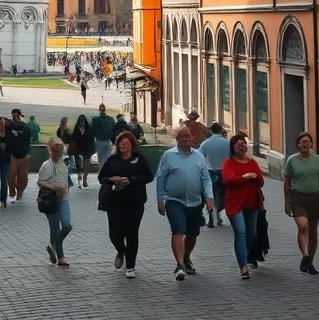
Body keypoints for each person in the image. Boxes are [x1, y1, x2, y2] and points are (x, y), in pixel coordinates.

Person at [154, 126, 213, 281]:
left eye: (188, 136)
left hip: (195, 201)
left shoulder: (199, 156)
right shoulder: (168, 156)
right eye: (183, 137)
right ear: (177, 139)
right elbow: (160, 178)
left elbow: (206, 178)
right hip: (174, 200)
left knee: (192, 233)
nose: (187, 139)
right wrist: (160, 200)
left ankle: (186, 258)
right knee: (178, 230)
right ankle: (180, 265)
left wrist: (209, 197)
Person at [99, 131, 154, 278]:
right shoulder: (112, 160)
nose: (122, 145)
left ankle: (130, 266)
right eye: (120, 143)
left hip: (135, 203)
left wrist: (131, 180)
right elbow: (101, 177)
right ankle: (121, 250)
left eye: (126, 143)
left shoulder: (139, 159)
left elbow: (149, 176)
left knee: (132, 233)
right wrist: (112, 179)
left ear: (132, 145)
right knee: (115, 234)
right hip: (115, 203)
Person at [283, 131, 319, 274]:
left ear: (311, 144)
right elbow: (287, 182)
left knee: (313, 232)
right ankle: (305, 255)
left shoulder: (318, 160)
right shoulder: (292, 160)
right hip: (298, 198)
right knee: (303, 226)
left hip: (315, 198)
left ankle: (309, 262)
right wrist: (287, 202)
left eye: (308, 142)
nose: (306, 144)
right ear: (298, 144)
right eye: (303, 142)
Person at [221, 133, 264, 280]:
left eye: (244, 144)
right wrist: (246, 177)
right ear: (232, 147)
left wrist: (253, 176)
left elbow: (260, 181)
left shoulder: (252, 163)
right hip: (234, 204)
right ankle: (243, 267)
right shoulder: (228, 163)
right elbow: (229, 180)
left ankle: (245, 255)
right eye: (239, 144)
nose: (243, 146)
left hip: (252, 204)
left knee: (251, 235)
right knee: (241, 232)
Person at [37, 137, 73, 267]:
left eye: (60, 147)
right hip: (50, 200)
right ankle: (61, 256)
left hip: (64, 199)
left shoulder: (65, 162)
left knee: (67, 225)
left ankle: (54, 247)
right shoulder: (46, 165)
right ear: (49, 149)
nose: (57, 150)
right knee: (55, 227)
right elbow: (40, 182)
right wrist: (54, 188)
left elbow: (67, 178)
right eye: (54, 148)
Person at [199, 122, 230, 227]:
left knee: (209, 195)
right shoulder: (227, 143)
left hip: (210, 173)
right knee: (223, 195)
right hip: (224, 173)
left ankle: (211, 214)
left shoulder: (205, 144)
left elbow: (200, 158)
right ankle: (218, 214)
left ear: (211, 130)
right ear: (221, 130)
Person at [5, 108, 31, 201]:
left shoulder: (25, 127)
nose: (15, 117)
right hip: (13, 155)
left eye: (17, 115)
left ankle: (20, 192)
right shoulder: (8, 125)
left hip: (23, 154)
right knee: (11, 177)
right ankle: (12, 191)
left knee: (23, 177)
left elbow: (28, 139)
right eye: (13, 115)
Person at [70, 114, 94, 189]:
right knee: (79, 165)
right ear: (78, 121)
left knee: (87, 165)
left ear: (85, 121)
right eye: (80, 120)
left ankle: (84, 179)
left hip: (87, 150)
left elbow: (91, 140)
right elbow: (73, 139)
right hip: (78, 150)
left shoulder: (89, 129)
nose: (82, 122)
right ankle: (79, 176)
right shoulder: (76, 129)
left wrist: (91, 150)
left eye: (83, 120)